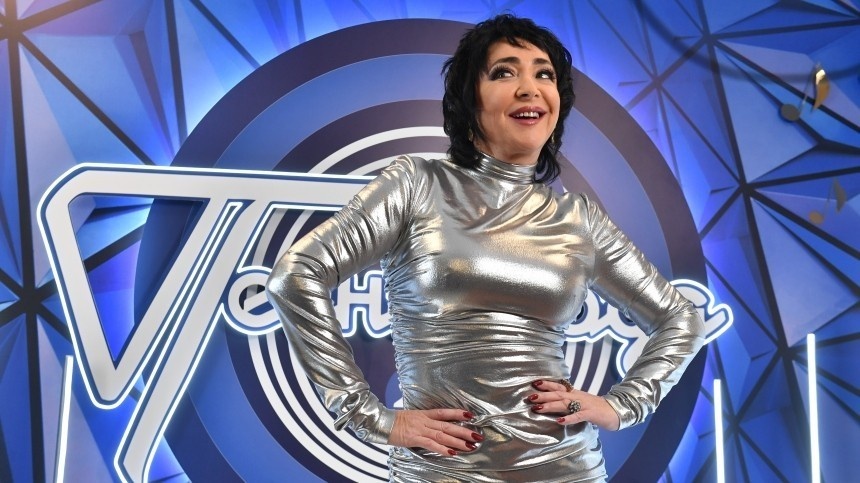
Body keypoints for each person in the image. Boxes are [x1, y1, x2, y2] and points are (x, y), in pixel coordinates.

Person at [266, 14, 705, 482]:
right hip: (441, 471)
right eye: (504, 72)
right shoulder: (416, 184)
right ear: (468, 98)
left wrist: (621, 406)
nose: (530, 88)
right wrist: (368, 415)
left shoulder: (579, 218)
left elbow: (681, 319)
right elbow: (296, 275)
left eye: (544, 74)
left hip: (567, 468)